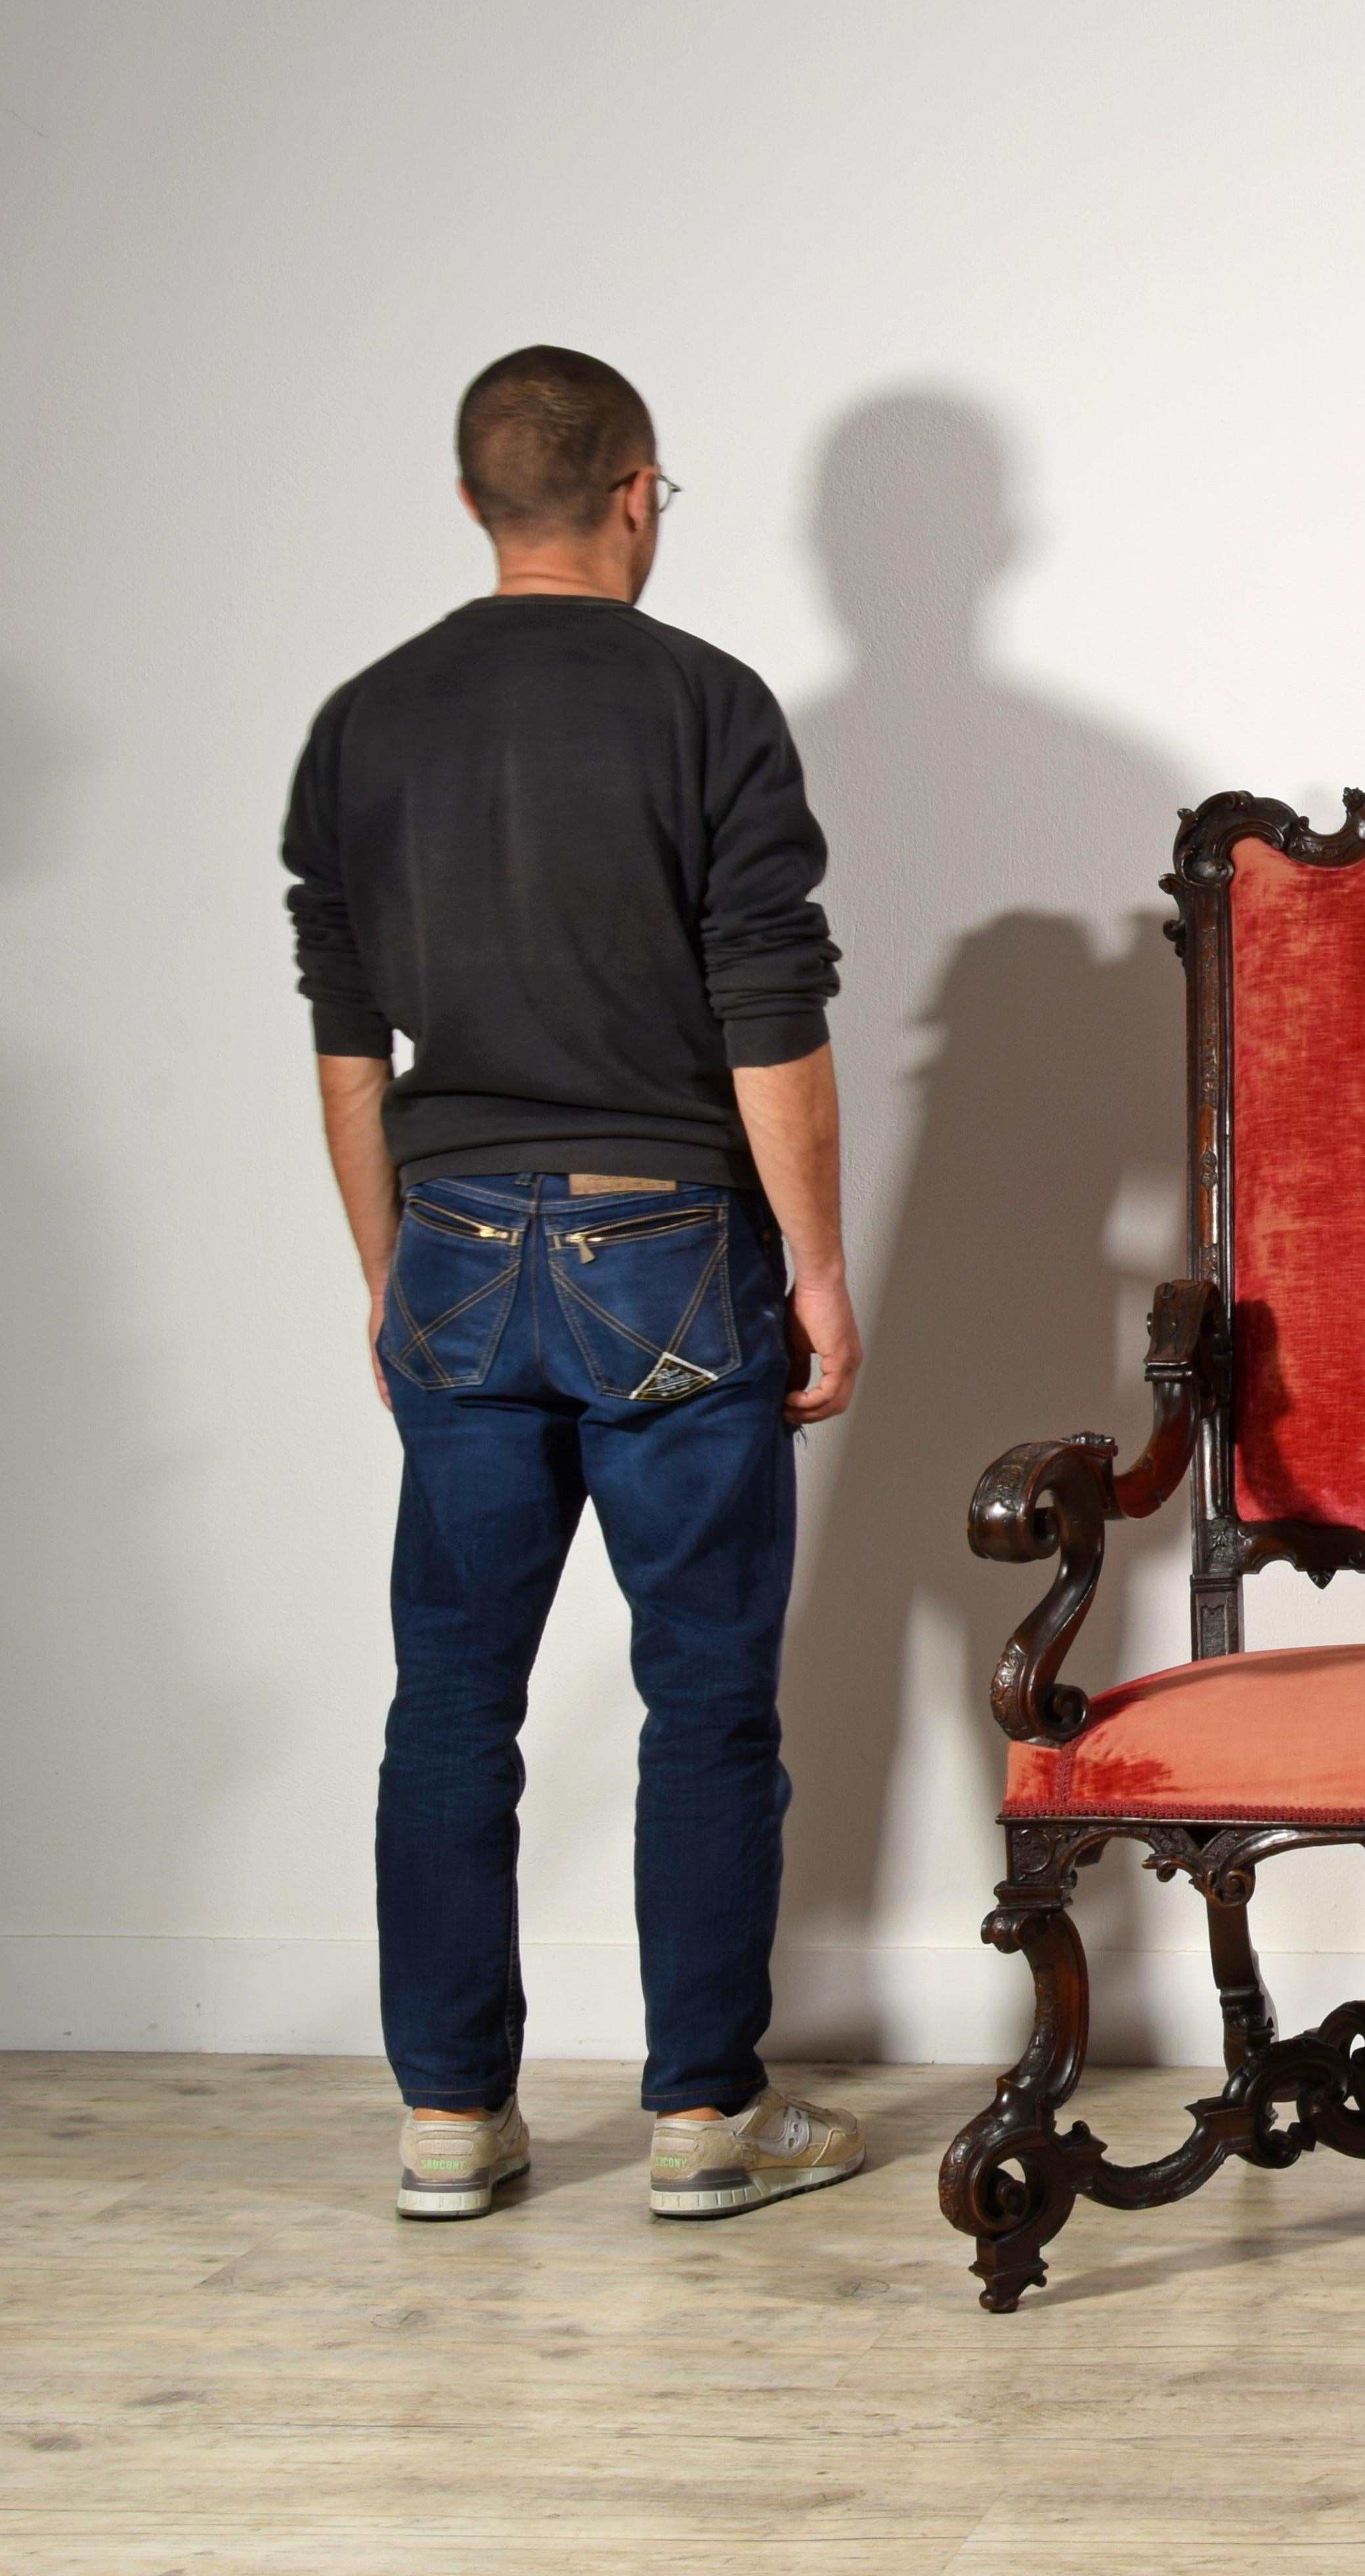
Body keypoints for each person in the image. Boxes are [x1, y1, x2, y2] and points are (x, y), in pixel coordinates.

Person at [285, 345, 868, 2221]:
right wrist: (825, 1272)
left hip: (451, 1246)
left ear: (475, 503)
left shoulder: (364, 721)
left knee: (449, 1698)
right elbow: (767, 1016)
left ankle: (450, 2118)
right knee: (705, 1700)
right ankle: (702, 2121)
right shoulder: (707, 705)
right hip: (669, 1246)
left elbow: (349, 1040)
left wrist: (392, 1276)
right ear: (636, 491)